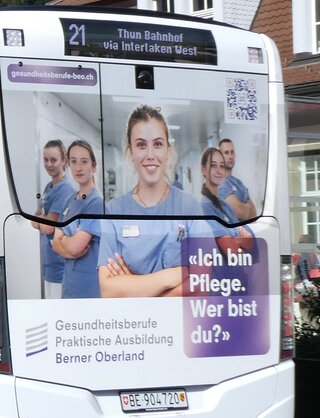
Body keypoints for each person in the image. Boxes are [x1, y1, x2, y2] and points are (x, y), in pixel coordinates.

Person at [97, 106, 210, 298]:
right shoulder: (115, 210)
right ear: (130, 152)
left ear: (168, 150)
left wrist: (133, 285)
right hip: (135, 325)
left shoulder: (188, 206)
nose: (150, 154)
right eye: (141, 145)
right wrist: (172, 276)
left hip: (180, 323)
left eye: (157, 144)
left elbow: (203, 281)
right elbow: (108, 289)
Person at [52, 140, 103, 299]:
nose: (78, 168)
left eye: (84, 162)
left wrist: (65, 240)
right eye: (73, 161)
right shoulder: (69, 200)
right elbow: (55, 244)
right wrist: (69, 243)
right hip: (69, 286)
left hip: (89, 288)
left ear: (93, 166)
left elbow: (74, 247)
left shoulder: (96, 203)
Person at [31, 139, 70, 298]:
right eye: (46, 159)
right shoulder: (48, 187)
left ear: (64, 161)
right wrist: (42, 220)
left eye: (53, 160)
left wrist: (41, 221)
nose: (49, 164)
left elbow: (48, 227)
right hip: (47, 261)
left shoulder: (65, 189)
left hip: (58, 264)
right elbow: (36, 217)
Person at [217, 138, 257, 219]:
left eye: (232, 152)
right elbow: (239, 211)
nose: (230, 156)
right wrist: (247, 207)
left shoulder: (238, 183)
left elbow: (254, 213)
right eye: (226, 153)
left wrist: (244, 208)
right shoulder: (219, 183)